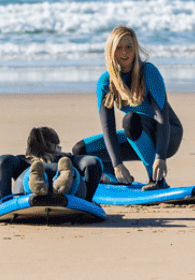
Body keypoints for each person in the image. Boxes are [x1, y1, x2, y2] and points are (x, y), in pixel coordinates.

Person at [72, 26, 182, 189]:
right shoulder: (106, 82)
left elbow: (161, 117)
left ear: (135, 49)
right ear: (111, 50)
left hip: (167, 134)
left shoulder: (148, 72)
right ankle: (113, 176)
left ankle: (157, 180)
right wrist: (117, 164)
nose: (125, 53)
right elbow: (108, 127)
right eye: (119, 48)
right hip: (136, 133)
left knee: (130, 120)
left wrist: (161, 156)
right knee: (80, 150)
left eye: (129, 47)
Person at [0, 126, 103, 199]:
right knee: (71, 174)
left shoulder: (23, 161)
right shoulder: (65, 158)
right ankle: (61, 178)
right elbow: (93, 163)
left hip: (29, 175)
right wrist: (88, 201)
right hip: (64, 180)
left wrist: (5, 198)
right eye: (58, 146)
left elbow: (2, 162)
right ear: (54, 147)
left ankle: (36, 179)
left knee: (27, 177)